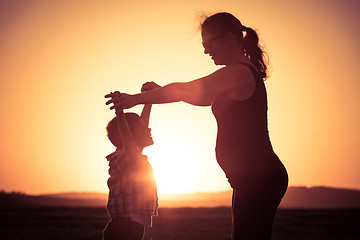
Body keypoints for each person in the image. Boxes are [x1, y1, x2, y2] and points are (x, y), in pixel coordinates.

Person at [105, 12, 288, 240]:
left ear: (229, 39)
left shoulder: (238, 73)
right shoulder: (234, 75)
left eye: (208, 43)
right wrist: (157, 92)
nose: (205, 50)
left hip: (259, 178)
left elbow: (186, 90)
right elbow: (202, 98)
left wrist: (135, 98)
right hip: (251, 179)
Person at [102, 83, 159, 240]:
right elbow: (127, 137)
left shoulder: (134, 158)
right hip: (125, 228)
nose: (148, 129)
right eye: (142, 128)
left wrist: (149, 100)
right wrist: (120, 112)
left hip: (128, 226)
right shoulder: (128, 157)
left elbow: (137, 130)